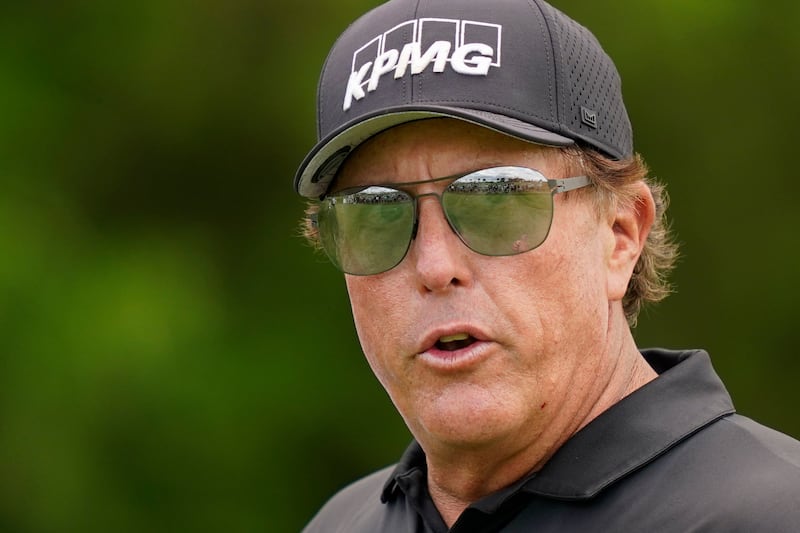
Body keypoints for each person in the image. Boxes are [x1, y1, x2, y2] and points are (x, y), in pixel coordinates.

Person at [293, 0, 800, 531]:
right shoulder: (341, 523)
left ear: (621, 234)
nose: (435, 265)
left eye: (495, 197)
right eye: (378, 212)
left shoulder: (767, 515)